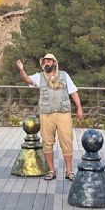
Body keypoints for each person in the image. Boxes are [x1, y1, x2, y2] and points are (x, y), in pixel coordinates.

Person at [16, 53, 83, 181]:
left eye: (49, 61)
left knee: (67, 142)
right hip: (47, 115)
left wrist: (79, 108)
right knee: (47, 142)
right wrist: (21, 70)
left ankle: (69, 171)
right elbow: (27, 80)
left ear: (54, 63)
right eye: (44, 61)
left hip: (63, 114)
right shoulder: (39, 77)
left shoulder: (64, 75)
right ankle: (51, 170)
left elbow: (73, 92)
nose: (46, 63)